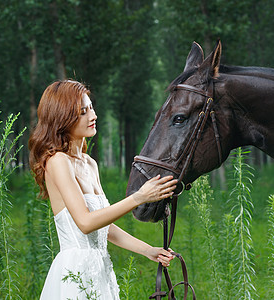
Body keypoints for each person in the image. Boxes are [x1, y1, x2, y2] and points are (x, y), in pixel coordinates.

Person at [29, 80, 177, 299]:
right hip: (75, 274)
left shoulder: (90, 164)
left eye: (91, 108)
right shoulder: (58, 161)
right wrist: (139, 197)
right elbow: (86, 223)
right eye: (82, 112)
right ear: (62, 118)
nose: (93, 115)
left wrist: (148, 250)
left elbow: (104, 228)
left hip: (101, 270)